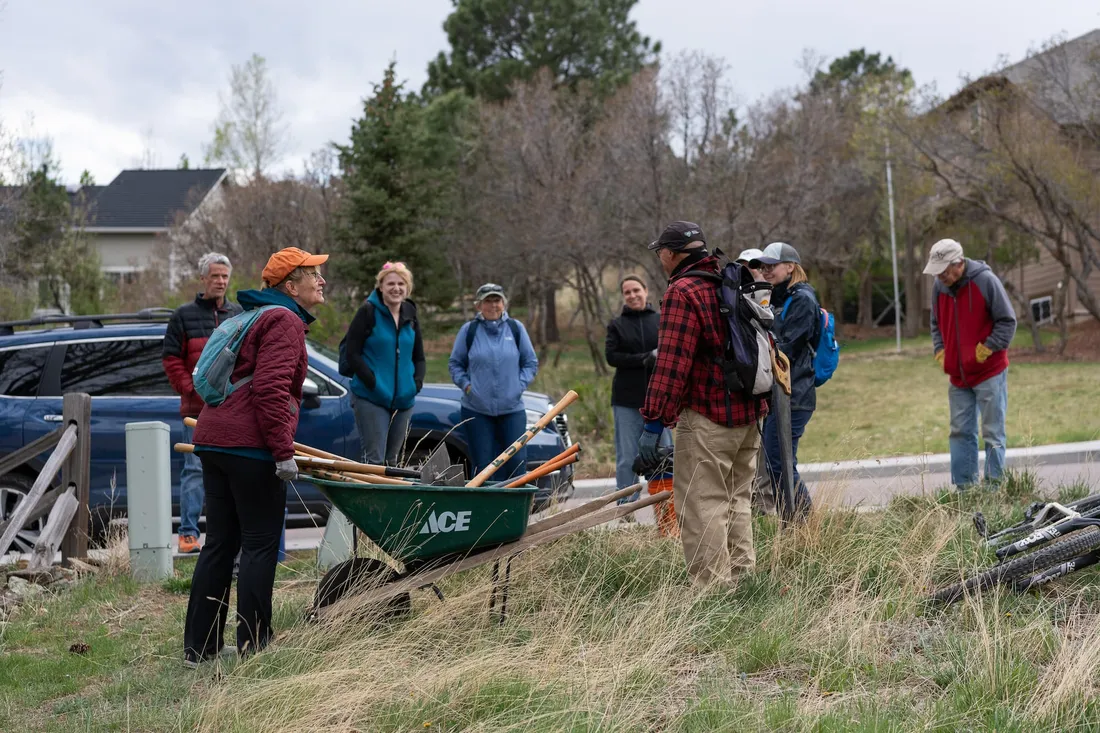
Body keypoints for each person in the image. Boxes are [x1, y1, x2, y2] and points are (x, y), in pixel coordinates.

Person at [184, 246, 328, 665]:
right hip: (248, 447)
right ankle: (255, 646)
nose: (321, 281)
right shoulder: (284, 320)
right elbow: (269, 390)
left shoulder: (253, 315)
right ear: (291, 286)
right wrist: (283, 453)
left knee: (220, 544)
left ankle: (200, 649)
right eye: (313, 274)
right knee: (260, 545)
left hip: (214, 439)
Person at [640, 221, 767, 588]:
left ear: (672, 253)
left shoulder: (683, 291)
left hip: (708, 417)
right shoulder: (730, 279)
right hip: (749, 414)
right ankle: (743, 580)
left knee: (702, 504)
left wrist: (653, 421)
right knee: (737, 499)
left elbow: (671, 364)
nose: (660, 258)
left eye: (660, 252)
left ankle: (713, 591)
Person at [162, 253, 242, 554]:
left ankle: (230, 535)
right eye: (215, 276)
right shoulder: (183, 315)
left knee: (233, 470)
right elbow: (171, 360)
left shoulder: (238, 313)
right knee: (194, 470)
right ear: (203, 279)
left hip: (232, 408)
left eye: (224, 276)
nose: (220, 281)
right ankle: (187, 535)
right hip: (196, 411)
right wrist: (191, 389)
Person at [924, 238, 1017, 488]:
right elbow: (935, 323)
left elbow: (1008, 321)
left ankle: (994, 487)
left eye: (944, 271)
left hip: (989, 371)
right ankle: (965, 489)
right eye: (937, 272)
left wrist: (989, 346)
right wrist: (940, 349)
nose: (940, 276)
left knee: (992, 432)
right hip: (958, 376)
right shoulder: (939, 287)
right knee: (960, 432)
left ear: (959, 263)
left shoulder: (985, 281)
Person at [750, 241, 817, 519]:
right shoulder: (779, 296)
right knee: (777, 463)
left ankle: (801, 523)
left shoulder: (802, 299)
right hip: (779, 394)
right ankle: (793, 524)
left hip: (795, 394)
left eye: (772, 265)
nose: (766, 270)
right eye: (763, 266)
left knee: (780, 464)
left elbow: (787, 348)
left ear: (790, 266)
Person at [449, 283, 539, 481]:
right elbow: (455, 364)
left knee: (516, 463)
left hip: (512, 409)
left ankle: (517, 501)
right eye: (487, 301)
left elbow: (530, 363)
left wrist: (518, 386)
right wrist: (468, 387)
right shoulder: (469, 330)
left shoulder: (515, 329)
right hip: (476, 410)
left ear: (503, 303)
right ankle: (488, 502)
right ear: (478, 305)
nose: (493, 305)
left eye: (496, 300)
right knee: (484, 467)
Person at [344, 261, 426, 466]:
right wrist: (372, 382)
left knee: (392, 462)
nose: (396, 288)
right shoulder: (368, 312)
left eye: (401, 284)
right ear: (380, 286)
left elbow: (419, 357)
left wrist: (415, 384)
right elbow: (352, 354)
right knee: (374, 460)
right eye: (390, 283)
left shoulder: (410, 315)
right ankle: (369, 490)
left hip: (404, 400)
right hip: (371, 397)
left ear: (407, 288)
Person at [604, 275, 668, 506]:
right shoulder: (617, 325)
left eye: (636, 290)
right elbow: (612, 357)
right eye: (627, 292)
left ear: (645, 291)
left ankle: (666, 507)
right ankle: (626, 508)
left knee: (664, 454)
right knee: (627, 457)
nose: (632, 296)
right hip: (626, 401)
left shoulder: (661, 320)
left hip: (659, 401)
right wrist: (645, 358)